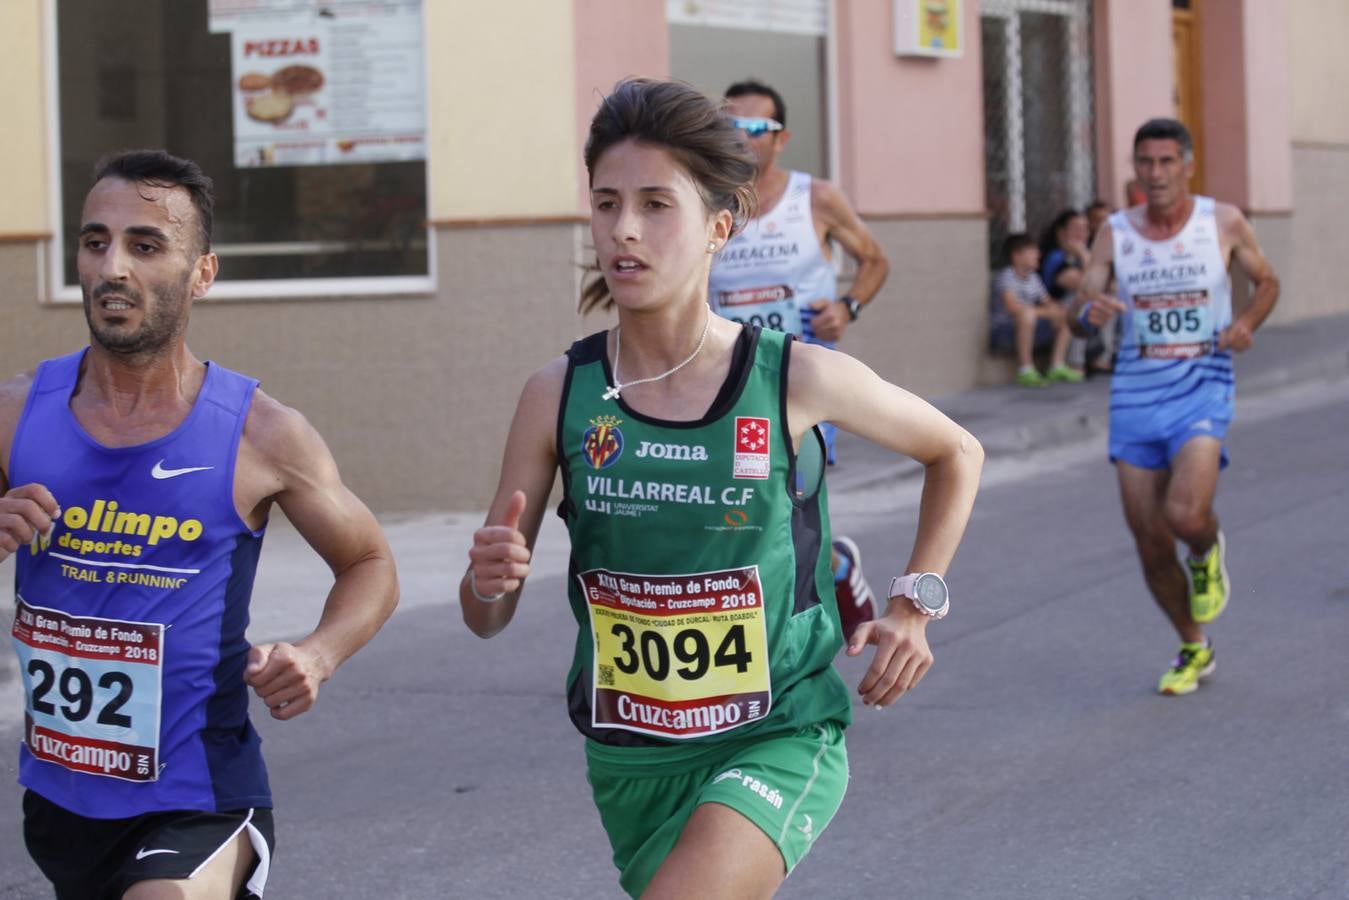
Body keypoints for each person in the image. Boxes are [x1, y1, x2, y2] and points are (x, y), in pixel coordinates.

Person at [461, 79, 982, 899]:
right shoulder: (558, 393)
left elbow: (954, 451)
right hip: (629, 754)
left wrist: (914, 605)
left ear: (718, 226)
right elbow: (485, 616)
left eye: (656, 204)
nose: (624, 229)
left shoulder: (791, 377)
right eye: (606, 204)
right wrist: (488, 581)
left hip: (777, 732)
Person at [0, 150, 399, 898]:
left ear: (202, 273)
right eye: (95, 242)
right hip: (59, 802)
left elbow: (370, 563)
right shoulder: (18, 411)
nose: (113, 266)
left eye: (145, 246)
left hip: (199, 798)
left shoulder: (261, 434)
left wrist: (317, 654)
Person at [1070, 118, 1279, 696]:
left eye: (1166, 162)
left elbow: (1266, 282)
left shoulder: (1225, 221)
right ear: (1134, 169)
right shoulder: (1114, 232)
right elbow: (1081, 304)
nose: (1155, 174)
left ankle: (1207, 550)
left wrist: (1245, 322)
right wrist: (1087, 313)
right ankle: (1194, 644)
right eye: (1145, 163)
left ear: (1187, 164)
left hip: (1202, 387)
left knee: (1185, 516)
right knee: (1149, 537)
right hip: (1135, 397)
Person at [708, 79, 893, 640]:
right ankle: (834, 567)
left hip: (803, 384)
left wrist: (847, 306)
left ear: (781, 137)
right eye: (731, 125)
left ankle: (788, 631)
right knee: (741, 512)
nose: (742, 137)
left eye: (756, 128)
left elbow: (874, 260)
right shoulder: (709, 201)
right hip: (728, 383)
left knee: (779, 506)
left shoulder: (816, 198)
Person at [989, 233, 1077, 387]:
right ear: (1017, 256)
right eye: (1032, 251)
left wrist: (1056, 310)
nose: (1038, 254)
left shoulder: (1033, 277)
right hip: (1005, 328)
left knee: (1064, 314)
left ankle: (1057, 365)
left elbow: (1049, 303)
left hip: (1032, 324)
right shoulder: (1006, 276)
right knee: (1027, 315)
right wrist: (1046, 312)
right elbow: (1013, 308)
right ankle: (1025, 370)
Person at [1041, 209, 1110, 376]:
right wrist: (1084, 254)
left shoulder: (1082, 256)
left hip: (1068, 311)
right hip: (1056, 310)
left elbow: (1108, 285)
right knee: (1082, 301)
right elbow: (1088, 287)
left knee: (1111, 300)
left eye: (1085, 229)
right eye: (1076, 228)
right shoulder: (1056, 257)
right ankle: (1075, 363)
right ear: (1062, 232)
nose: (1082, 233)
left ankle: (1103, 358)